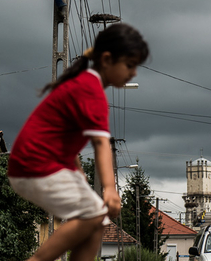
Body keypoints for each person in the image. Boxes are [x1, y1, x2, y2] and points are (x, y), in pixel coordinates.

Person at [8, 23, 150, 261]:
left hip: (38, 165)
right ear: (106, 59)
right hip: (35, 165)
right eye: (129, 65)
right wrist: (110, 189)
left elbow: (64, 136)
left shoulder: (84, 84)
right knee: (93, 213)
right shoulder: (90, 88)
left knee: (98, 221)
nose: (134, 73)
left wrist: (78, 172)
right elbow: (101, 144)